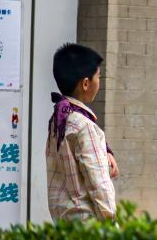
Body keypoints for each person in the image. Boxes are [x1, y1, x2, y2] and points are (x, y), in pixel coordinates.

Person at [45, 43, 117, 221]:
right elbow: (98, 184)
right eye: (98, 77)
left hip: (63, 219)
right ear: (86, 83)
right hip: (87, 224)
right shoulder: (85, 126)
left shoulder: (59, 118)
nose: (99, 82)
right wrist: (111, 222)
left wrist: (105, 153)